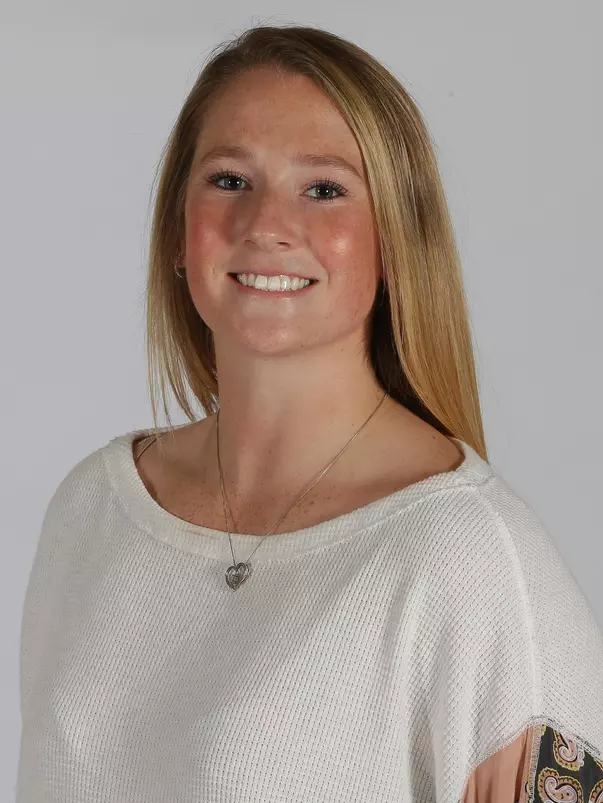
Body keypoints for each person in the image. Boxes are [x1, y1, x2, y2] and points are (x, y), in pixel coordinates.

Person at [16, 23, 603, 803]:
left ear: (395, 241)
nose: (264, 224)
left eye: (323, 189)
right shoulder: (92, 508)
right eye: (229, 179)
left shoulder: (470, 562)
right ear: (176, 231)